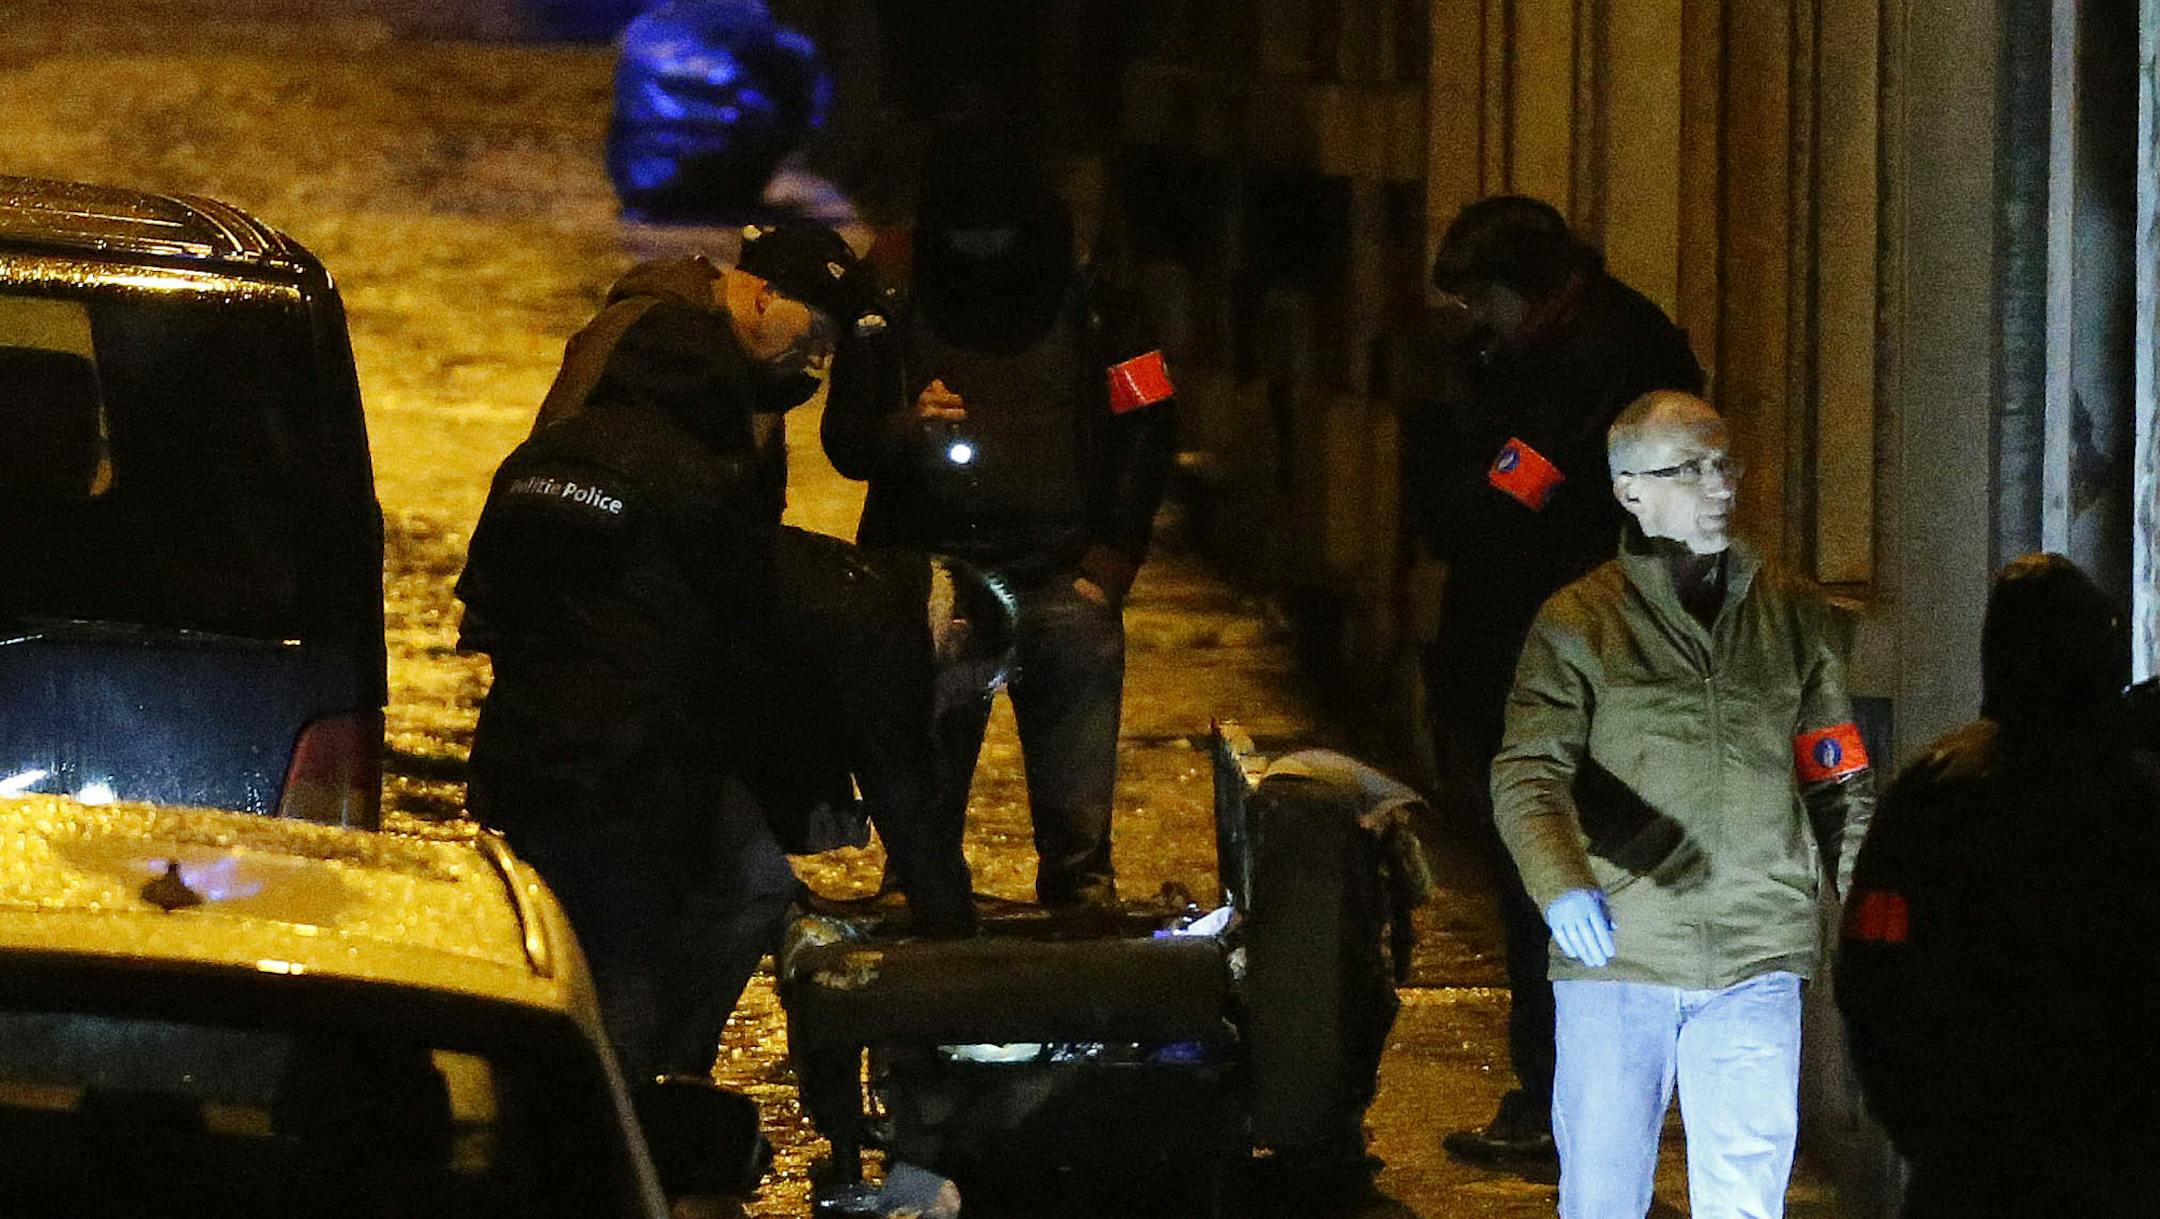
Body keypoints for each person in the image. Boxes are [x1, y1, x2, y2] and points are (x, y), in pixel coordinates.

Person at [455, 220, 975, 1084]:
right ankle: (643, 1110)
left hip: (546, 737)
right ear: (758, 299)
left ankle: (613, 1100)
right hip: (627, 750)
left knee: (617, 929)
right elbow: (732, 604)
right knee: (628, 954)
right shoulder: (689, 463)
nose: (812, 367)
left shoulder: (580, 455)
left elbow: (513, 576)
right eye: (812, 340)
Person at [1490, 390, 1874, 1218]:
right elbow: (1529, 770)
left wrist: (1862, 908)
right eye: (1689, 468)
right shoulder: (1580, 623)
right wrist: (1560, 884)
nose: (1719, 485)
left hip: (1756, 947)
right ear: (1630, 489)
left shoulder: (1791, 611)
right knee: (1602, 1189)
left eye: (1724, 463)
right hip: (1618, 951)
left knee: (1746, 1195)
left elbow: (1835, 774)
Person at [1416, 195, 1705, 1163]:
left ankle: (1560, 1104)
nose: (1473, 324)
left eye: (1480, 303)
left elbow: (1494, 509)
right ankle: (1572, 1100)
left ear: (1524, 293)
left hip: (1570, 667)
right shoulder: (1578, 350)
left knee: (1551, 881)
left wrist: (1461, 444)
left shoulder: (1590, 367)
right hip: (1567, 656)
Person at [822, 118, 1176, 908]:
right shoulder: (888, 284)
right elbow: (843, 436)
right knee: (918, 844)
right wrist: (903, 432)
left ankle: (1085, 966)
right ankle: (913, 979)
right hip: (930, 587)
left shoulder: (1093, 288)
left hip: (1064, 582)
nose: (981, 253)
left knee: (1080, 853)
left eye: (997, 233)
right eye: (965, 234)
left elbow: (1148, 417)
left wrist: (1109, 563)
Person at [1836, 553, 2160, 1218]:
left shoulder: (1933, 789)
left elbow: (1872, 965)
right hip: (2114, 1147)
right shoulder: (2136, 791)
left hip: (1970, 1145)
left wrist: (1914, 1118)